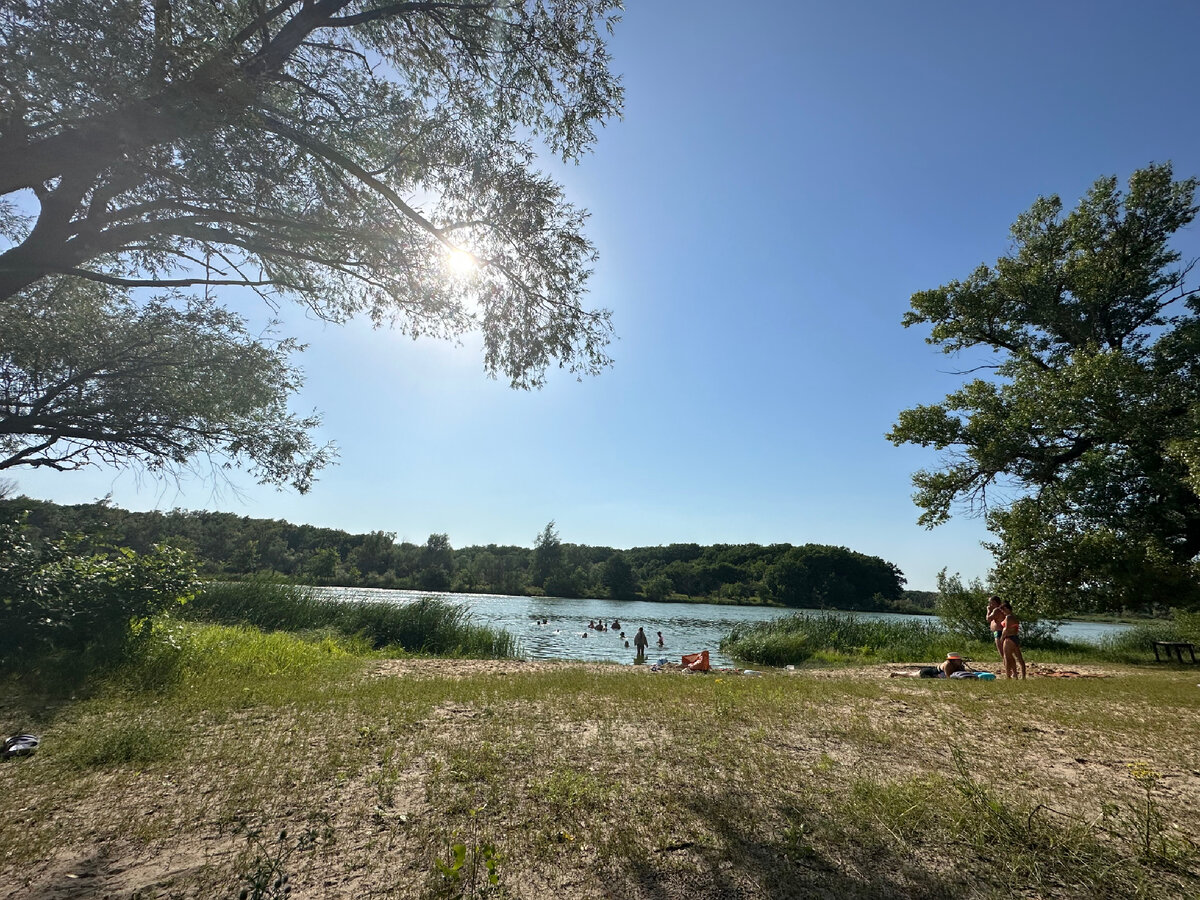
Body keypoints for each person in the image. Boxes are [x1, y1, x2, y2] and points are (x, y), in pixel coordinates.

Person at [890, 653, 975, 679]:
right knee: (911, 675)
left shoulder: (959, 665)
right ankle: (896, 673)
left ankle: (896, 673)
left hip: (934, 672)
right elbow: (949, 677)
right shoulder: (947, 665)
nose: (960, 661)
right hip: (928, 673)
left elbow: (963, 673)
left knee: (911, 674)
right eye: (958, 660)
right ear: (953, 660)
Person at [999, 603, 1027, 679]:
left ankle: (1008, 675)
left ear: (1007, 609)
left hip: (1009, 638)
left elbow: (1006, 629)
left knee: (1007, 657)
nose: (1003, 612)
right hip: (1015, 638)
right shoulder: (1014, 618)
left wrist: (1002, 637)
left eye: (1003, 610)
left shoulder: (1008, 617)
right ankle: (1023, 676)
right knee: (1019, 658)